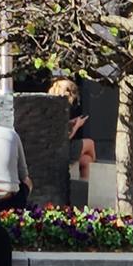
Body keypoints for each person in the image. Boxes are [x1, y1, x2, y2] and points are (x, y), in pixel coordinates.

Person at [49, 78, 95, 207]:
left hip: (58, 148)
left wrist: (72, 122)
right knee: (90, 143)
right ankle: (95, 175)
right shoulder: (60, 107)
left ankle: (84, 191)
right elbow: (64, 137)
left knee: (86, 159)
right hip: (60, 149)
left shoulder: (54, 105)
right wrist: (77, 126)